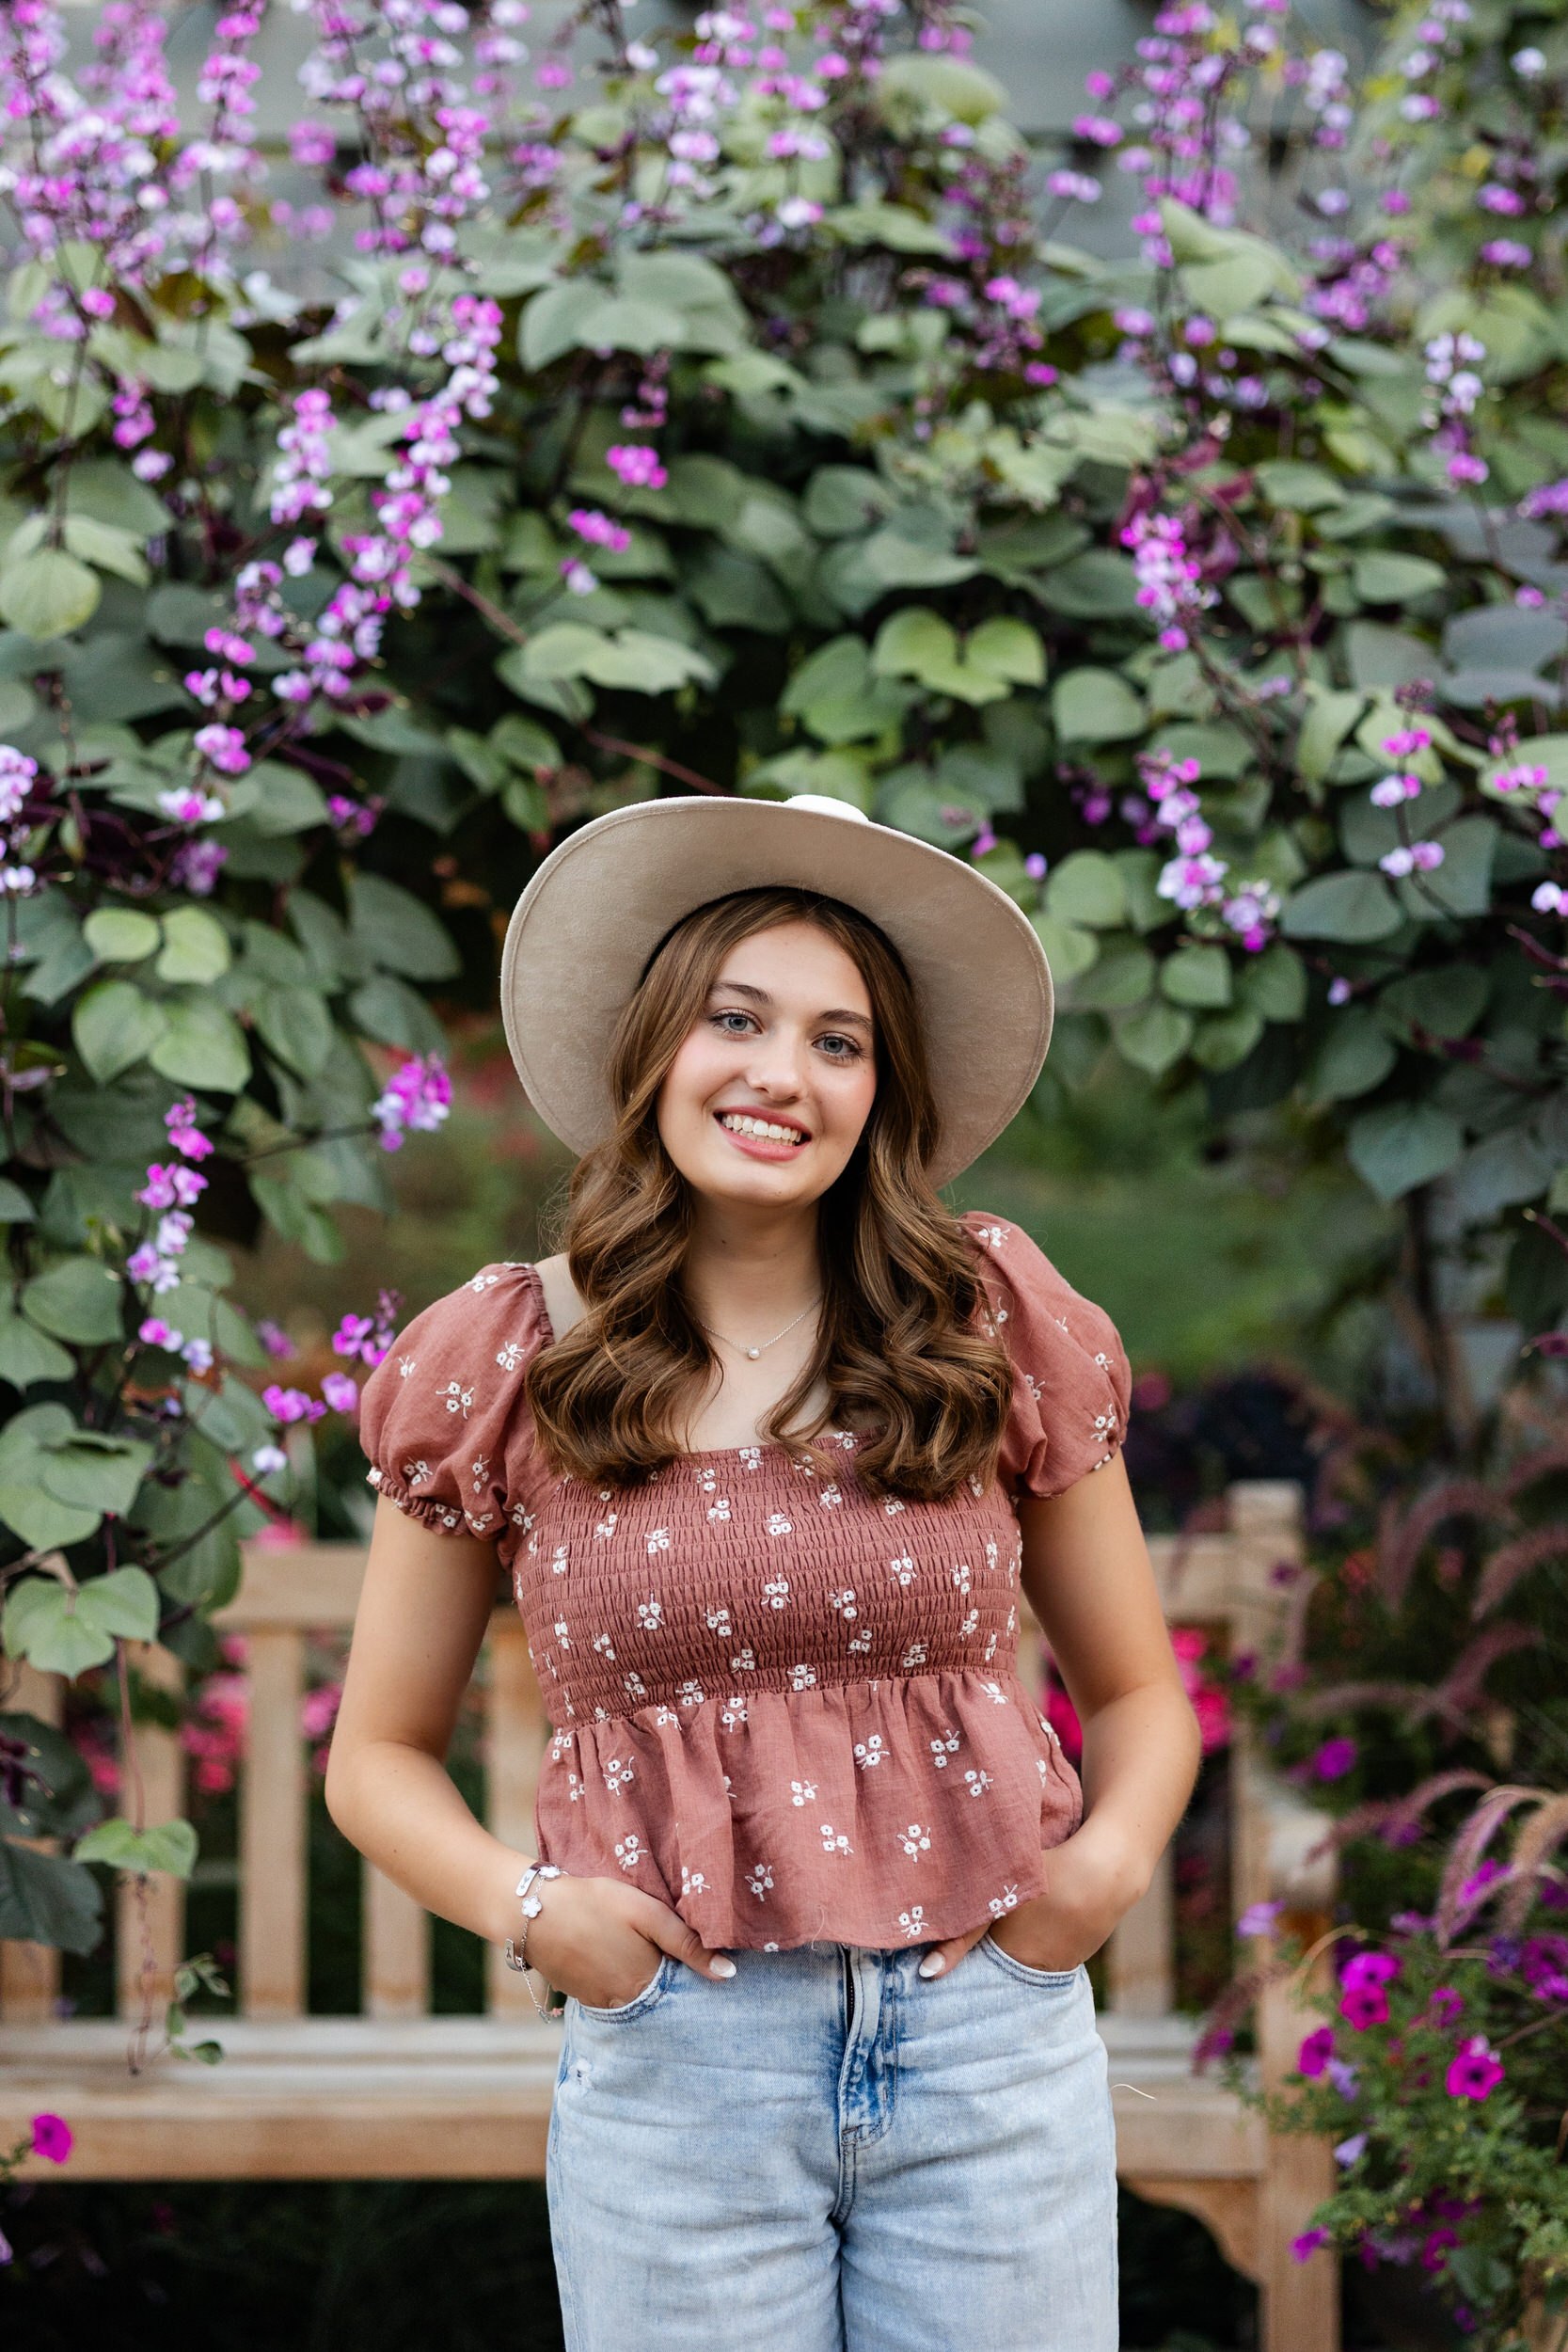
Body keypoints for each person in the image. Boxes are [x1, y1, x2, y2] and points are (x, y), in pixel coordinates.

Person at [326, 792, 1201, 2351]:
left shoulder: (988, 1319)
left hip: (988, 2049)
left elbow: (1139, 1692)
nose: (782, 1075)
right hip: (684, 2070)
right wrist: (538, 1916)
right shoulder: (507, 1356)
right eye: (738, 1018)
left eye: (840, 1040)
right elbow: (376, 1759)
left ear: (883, 1089)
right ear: (660, 1042)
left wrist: (1095, 1880)